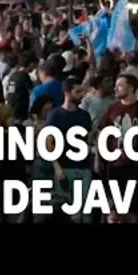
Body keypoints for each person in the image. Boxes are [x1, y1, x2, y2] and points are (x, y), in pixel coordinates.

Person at [98, 74, 138, 223]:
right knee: (114, 211)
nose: (115, 88)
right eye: (116, 85)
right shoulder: (112, 109)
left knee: (132, 212)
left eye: (120, 85)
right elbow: (102, 132)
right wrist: (100, 158)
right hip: (115, 165)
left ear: (131, 88)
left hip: (136, 166)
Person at [44, 77, 93, 223]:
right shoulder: (55, 115)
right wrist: (56, 166)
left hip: (83, 167)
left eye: (82, 91)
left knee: (86, 210)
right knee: (66, 210)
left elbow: (88, 139)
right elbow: (49, 143)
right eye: (77, 91)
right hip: (64, 167)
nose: (81, 95)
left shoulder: (84, 115)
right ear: (67, 92)